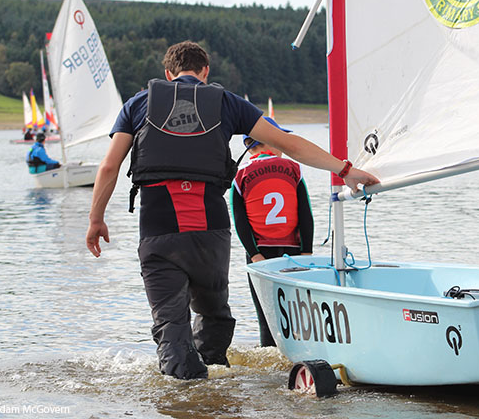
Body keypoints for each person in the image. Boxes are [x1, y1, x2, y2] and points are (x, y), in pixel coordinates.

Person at [84, 40, 378, 380]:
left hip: (159, 232)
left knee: (171, 325)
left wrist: (95, 219)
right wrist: (345, 170)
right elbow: (288, 144)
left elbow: (108, 168)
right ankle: (213, 390)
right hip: (210, 234)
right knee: (214, 317)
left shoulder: (138, 104)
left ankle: (185, 396)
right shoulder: (225, 103)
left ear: (167, 74)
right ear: (205, 72)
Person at [231, 117, 313, 347]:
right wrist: (307, 251)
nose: (284, 148)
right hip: (293, 251)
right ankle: (299, 353)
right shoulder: (293, 169)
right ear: (267, 141)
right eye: (280, 141)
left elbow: (239, 219)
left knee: (266, 313)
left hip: (260, 253)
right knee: (296, 309)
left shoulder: (240, 175)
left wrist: (253, 253)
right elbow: (305, 212)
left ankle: (270, 358)